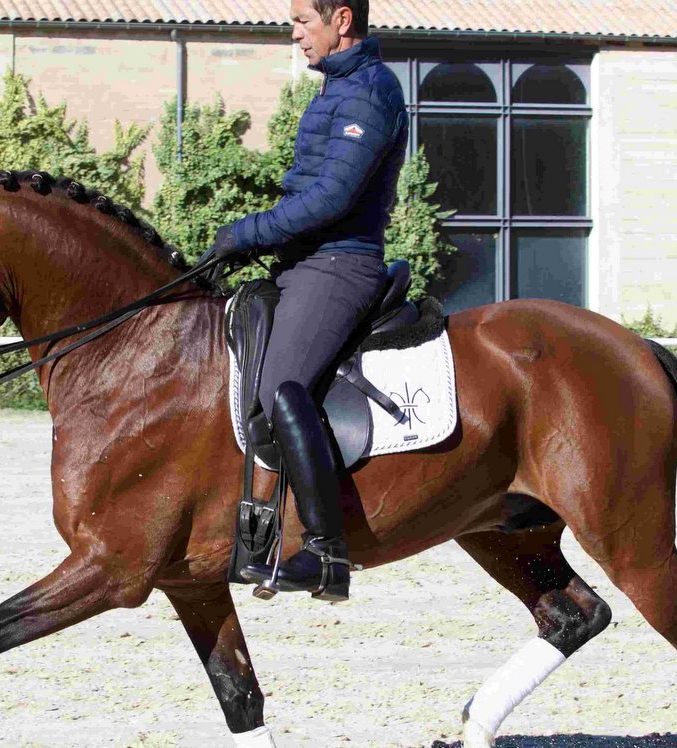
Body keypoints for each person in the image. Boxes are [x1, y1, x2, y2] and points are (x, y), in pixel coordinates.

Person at [214, 0, 409, 602]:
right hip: (304, 262)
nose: (295, 31)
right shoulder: (338, 89)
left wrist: (246, 232)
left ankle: (326, 554)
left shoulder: (368, 92)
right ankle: (256, 541)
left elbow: (331, 198)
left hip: (340, 265)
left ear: (342, 19)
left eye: (303, 19)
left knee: (280, 388)